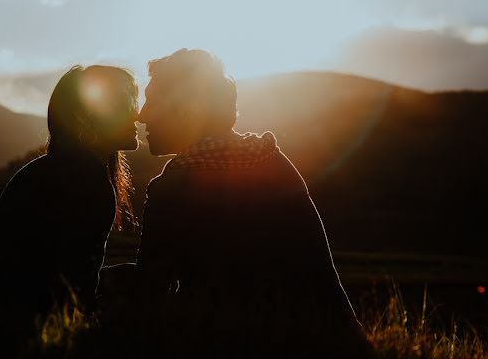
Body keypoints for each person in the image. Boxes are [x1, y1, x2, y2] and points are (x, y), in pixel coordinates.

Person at [131, 48, 371, 355]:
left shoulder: (171, 189)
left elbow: (148, 294)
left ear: (185, 110)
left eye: (153, 100)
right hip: (315, 339)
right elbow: (321, 275)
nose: (142, 114)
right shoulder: (274, 162)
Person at [0, 65, 139, 314]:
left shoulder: (50, 172)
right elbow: (69, 287)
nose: (136, 115)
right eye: (125, 104)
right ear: (85, 117)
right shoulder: (84, 183)